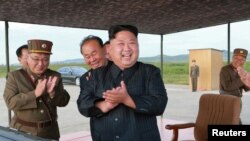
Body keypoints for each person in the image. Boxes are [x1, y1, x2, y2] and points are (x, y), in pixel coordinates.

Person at [77, 25, 168, 141]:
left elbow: (160, 104)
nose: (127, 49)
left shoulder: (150, 72)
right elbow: (82, 104)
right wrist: (104, 105)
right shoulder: (94, 76)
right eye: (121, 44)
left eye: (132, 43)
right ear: (109, 48)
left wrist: (127, 99)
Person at [3, 39, 70, 140]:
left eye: (46, 59)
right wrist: (35, 93)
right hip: (23, 132)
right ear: (28, 59)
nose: (41, 64)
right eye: (36, 59)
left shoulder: (54, 76)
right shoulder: (15, 77)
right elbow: (11, 103)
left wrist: (52, 93)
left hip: (50, 132)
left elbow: (64, 101)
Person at [219, 48, 249, 124]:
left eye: (242, 59)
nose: (239, 61)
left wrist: (248, 81)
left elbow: (246, 88)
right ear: (232, 58)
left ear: (244, 61)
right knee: (229, 119)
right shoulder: (225, 70)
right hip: (227, 100)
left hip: (238, 99)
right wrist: (242, 78)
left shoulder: (241, 70)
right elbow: (227, 86)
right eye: (236, 58)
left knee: (236, 117)